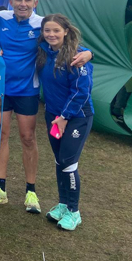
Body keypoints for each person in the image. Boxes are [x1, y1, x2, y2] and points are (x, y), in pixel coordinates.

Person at [0, 0, 92, 214]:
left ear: (35, 3)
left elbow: (64, 42)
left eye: (27, 0)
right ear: (11, 1)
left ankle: (31, 191)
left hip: (27, 90)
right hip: (0, 89)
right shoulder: (0, 18)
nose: (22, 4)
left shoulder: (42, 24)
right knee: (0, 136)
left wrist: (90, 53)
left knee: (28, 138)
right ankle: (0, 187)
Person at [36, 13, 94, 231]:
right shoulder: (43, 51)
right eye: (47, 30)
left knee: (69, 162)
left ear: (66, 31)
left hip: (77, 117)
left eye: (56, 30)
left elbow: (81, 92)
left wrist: (64, 117)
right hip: (53, 116)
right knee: (59, 161)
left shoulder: (77, 56)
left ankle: (74, 211)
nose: (51, 34)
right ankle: (62, 204)